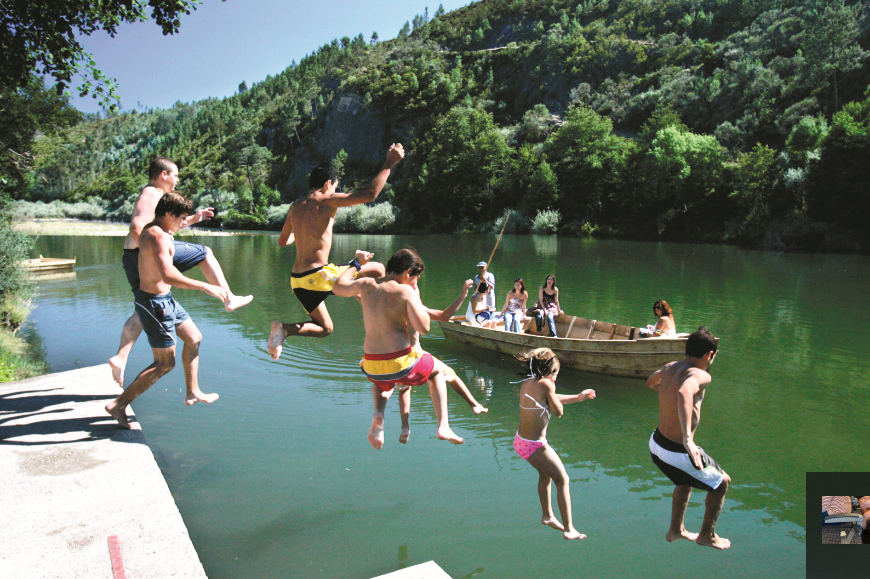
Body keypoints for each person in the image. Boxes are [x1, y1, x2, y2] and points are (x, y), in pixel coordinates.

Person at [108, 157, 252, 387]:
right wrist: (152, 252)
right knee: (205, 252)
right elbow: (137, 226)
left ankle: (120, 357)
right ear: (163, 175)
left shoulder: (155, 197)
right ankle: (229, 298)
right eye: (175, 175)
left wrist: (194, 219)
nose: (177, 180)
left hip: (133, 257)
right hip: (140, 255)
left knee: (144, 304)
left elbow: (165, 223)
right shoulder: (151, 194)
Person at [267, 144, 405, 360]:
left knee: (325, 328)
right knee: (377, 268)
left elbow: (283, 241)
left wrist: (300, 233)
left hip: (297, 281)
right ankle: (387, 317)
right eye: (334, 187)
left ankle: (283, 329)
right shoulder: (327, 200)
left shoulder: (294, 207)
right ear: (327, 184)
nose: (334, 192)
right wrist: (389, 163)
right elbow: (370, 194)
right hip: (318, 275)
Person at [105, 192, 227, 429]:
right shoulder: (156, 236)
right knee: (164, 364)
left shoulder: (158, 230)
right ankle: (118, 405)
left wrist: (195, 218)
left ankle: (192, 392)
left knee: (194, 337)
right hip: (154, 304)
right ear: (169, 214)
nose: (184, 222)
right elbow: (168, 274)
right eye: (182, 218)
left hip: (165, 299)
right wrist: (205, 286)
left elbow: (171, 238)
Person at [332, 248, 464, 449]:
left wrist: (357, 263)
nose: (415, 282)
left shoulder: (366, 285)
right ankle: (443, 425)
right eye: (415, 278)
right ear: (407, 273)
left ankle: (378, 415)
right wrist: (415, 299)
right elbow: (424, 328)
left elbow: (338, 287)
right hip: (401, 363)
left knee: (382, 381)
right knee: (437, 370)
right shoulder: (406, 291)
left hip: (370, 366)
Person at [647, 326, 731, 550]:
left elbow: (650, 382)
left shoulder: (670, 367)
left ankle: (676, 530)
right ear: (708, 355)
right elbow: (685, 392)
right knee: (722, 483)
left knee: (685, 480)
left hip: (656, 444)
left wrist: (668, 395)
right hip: (677, 450)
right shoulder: (701, 374)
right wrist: (688, 440)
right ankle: (707, 535)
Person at [513, 347, 596, 540]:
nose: (557, 377)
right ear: (551, 371)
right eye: (556, 374)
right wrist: (554, 388)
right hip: (535, 445)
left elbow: (548, 401)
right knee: (563, 479)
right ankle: (569, 529)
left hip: (521, 441)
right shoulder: (548, 385)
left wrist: (578, 397)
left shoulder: (528, 382)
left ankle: (548, 516)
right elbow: (558, 412)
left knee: (546, 475)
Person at [395, 279, 488, 443]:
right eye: (415, 285)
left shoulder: (392, 305)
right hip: (414, 353)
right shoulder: (415, 307)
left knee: (403, 387)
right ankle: (473, 405)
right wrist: (463, 294)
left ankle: (405, 427)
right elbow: (445, 316)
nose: (418, 288)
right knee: (449, 374)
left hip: (397, 356)